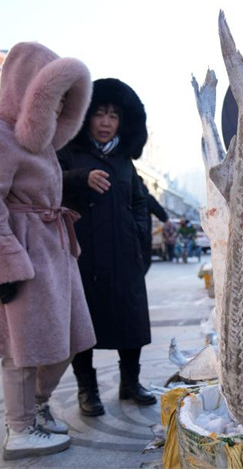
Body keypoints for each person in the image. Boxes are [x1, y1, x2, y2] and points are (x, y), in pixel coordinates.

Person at [0, 42, 96, 460]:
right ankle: (19, 428)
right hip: (20, 254)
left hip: (54, 249)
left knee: (68, 340)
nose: (58, 109)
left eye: (63, 101)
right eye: (52, 98)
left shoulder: (41, 146)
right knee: (22, 349)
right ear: (29, 91)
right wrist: (1, 269)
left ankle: (36, 407)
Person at [58, 78, 156, 417]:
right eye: (99, 114)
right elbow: (45, 185)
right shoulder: (69, 153)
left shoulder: (124, 160)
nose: (105, 122)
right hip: (82, 255)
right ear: (86, 117)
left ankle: (131, 383)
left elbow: (139, 201)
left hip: (124, 254)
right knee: (83, 325)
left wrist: (140, 236)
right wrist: (79, 178)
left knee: (131, 321)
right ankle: (88, 390)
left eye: (113, 116)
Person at [139, 178, 169, 272]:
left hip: (128, 234)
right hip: (143, 234)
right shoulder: (146, 196)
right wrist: (165, 219)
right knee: (143, 263)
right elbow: (159, 210)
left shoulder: (123, 194)